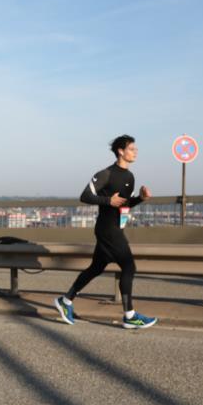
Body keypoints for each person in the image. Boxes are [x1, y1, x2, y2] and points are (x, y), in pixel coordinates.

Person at [54, 135, 157, 329]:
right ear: (120, 151)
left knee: (96, 268)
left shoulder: (130, 177)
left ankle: (65, 301)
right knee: (129, 266)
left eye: (135, 149)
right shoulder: (106, 174)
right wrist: (107, 201)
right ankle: (129, 315)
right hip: (107, 229)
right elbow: (84, 196)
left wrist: (140, 199)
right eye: (131, 149)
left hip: (116, 228)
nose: (135, 152)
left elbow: (124, 205)